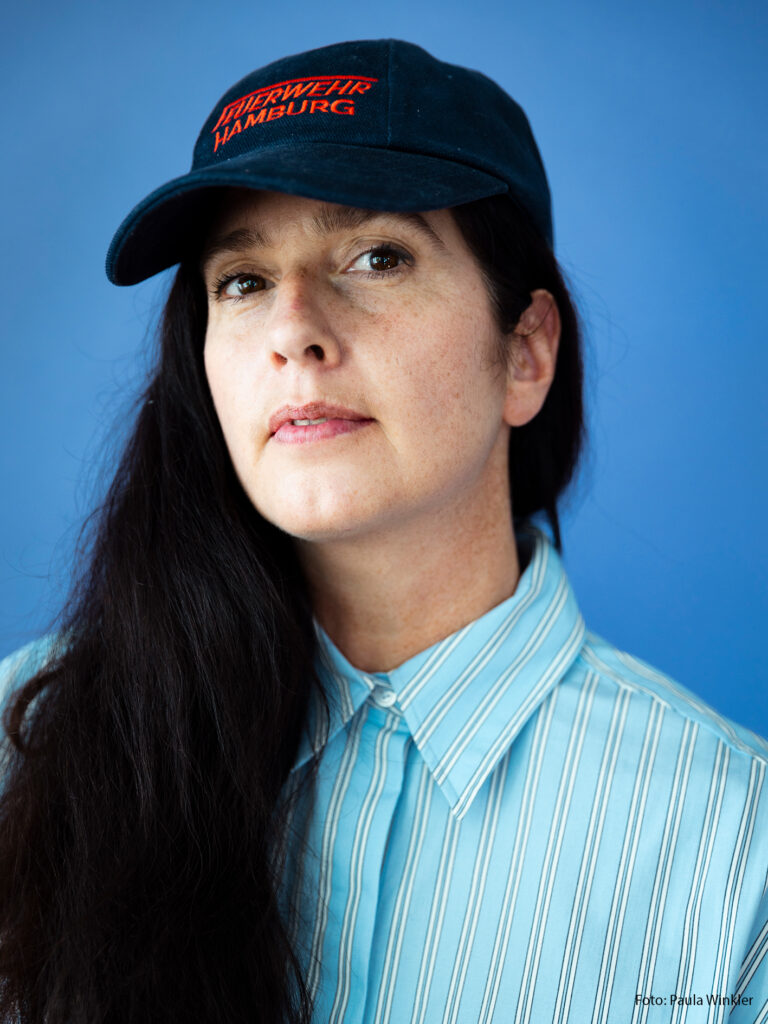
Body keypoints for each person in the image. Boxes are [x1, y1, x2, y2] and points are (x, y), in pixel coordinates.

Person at [0, 38, 766, 1024]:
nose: (294, 329)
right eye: (243, 280)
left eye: (377, 257)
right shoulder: (24, 745)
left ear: (526, 352)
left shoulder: (735, 848)